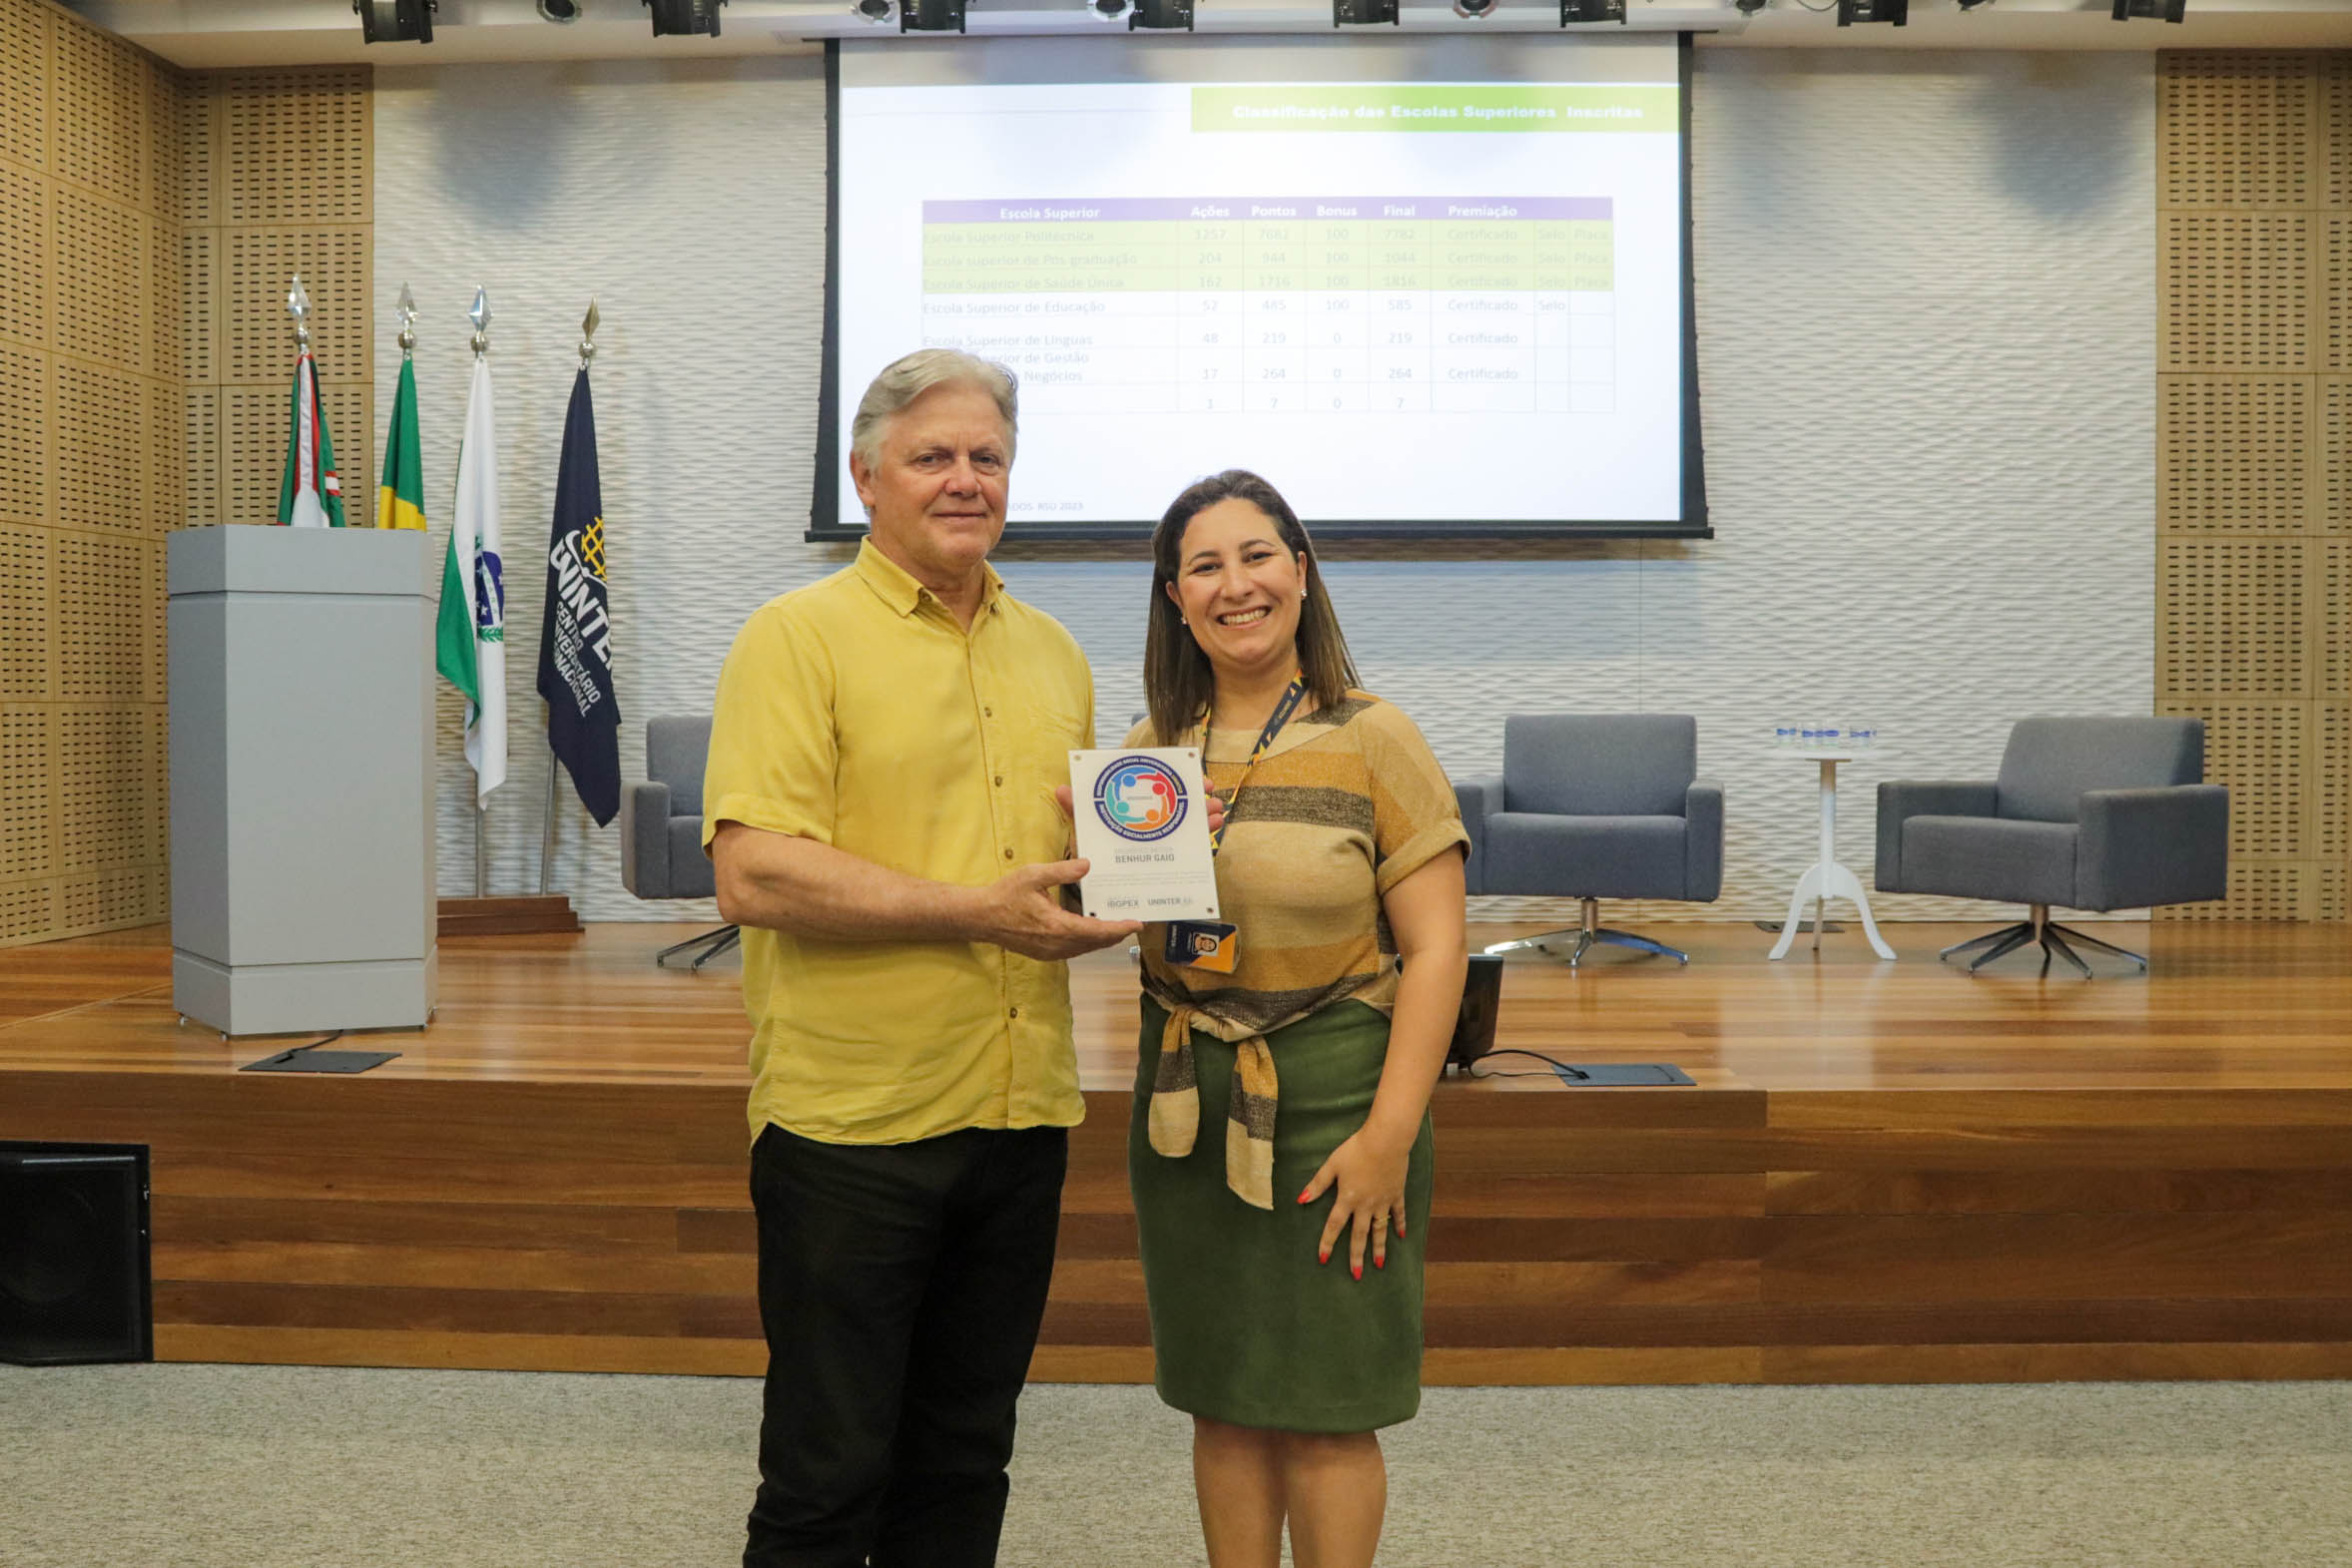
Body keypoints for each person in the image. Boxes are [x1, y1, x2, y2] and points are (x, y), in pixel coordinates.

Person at [702, 348, 1143, 1568]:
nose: (964, 478)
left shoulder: (1052, 652)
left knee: (963, 1460)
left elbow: (1044, 869)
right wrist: (976, 911)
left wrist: (1149, 853)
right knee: (825, 1476)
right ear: (866, 477)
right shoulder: (796, 638)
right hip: (855, 1125)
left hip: (1020, 1115)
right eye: (932, 455)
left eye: (986, 456)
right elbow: (754, 873)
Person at [1124, 469, 1470, 1568]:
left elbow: (1438, 950)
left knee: (1328, 1406)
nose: (1236, 585)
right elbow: (1120, 929)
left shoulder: (1374, 735)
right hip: (1186, 1107)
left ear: (1302, 572)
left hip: (1338, 1108)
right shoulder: (1148, 750)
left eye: (1257, 555)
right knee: (1223, 1398)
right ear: (1175, 598)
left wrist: (1388, 1137)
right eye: (1205, 566)